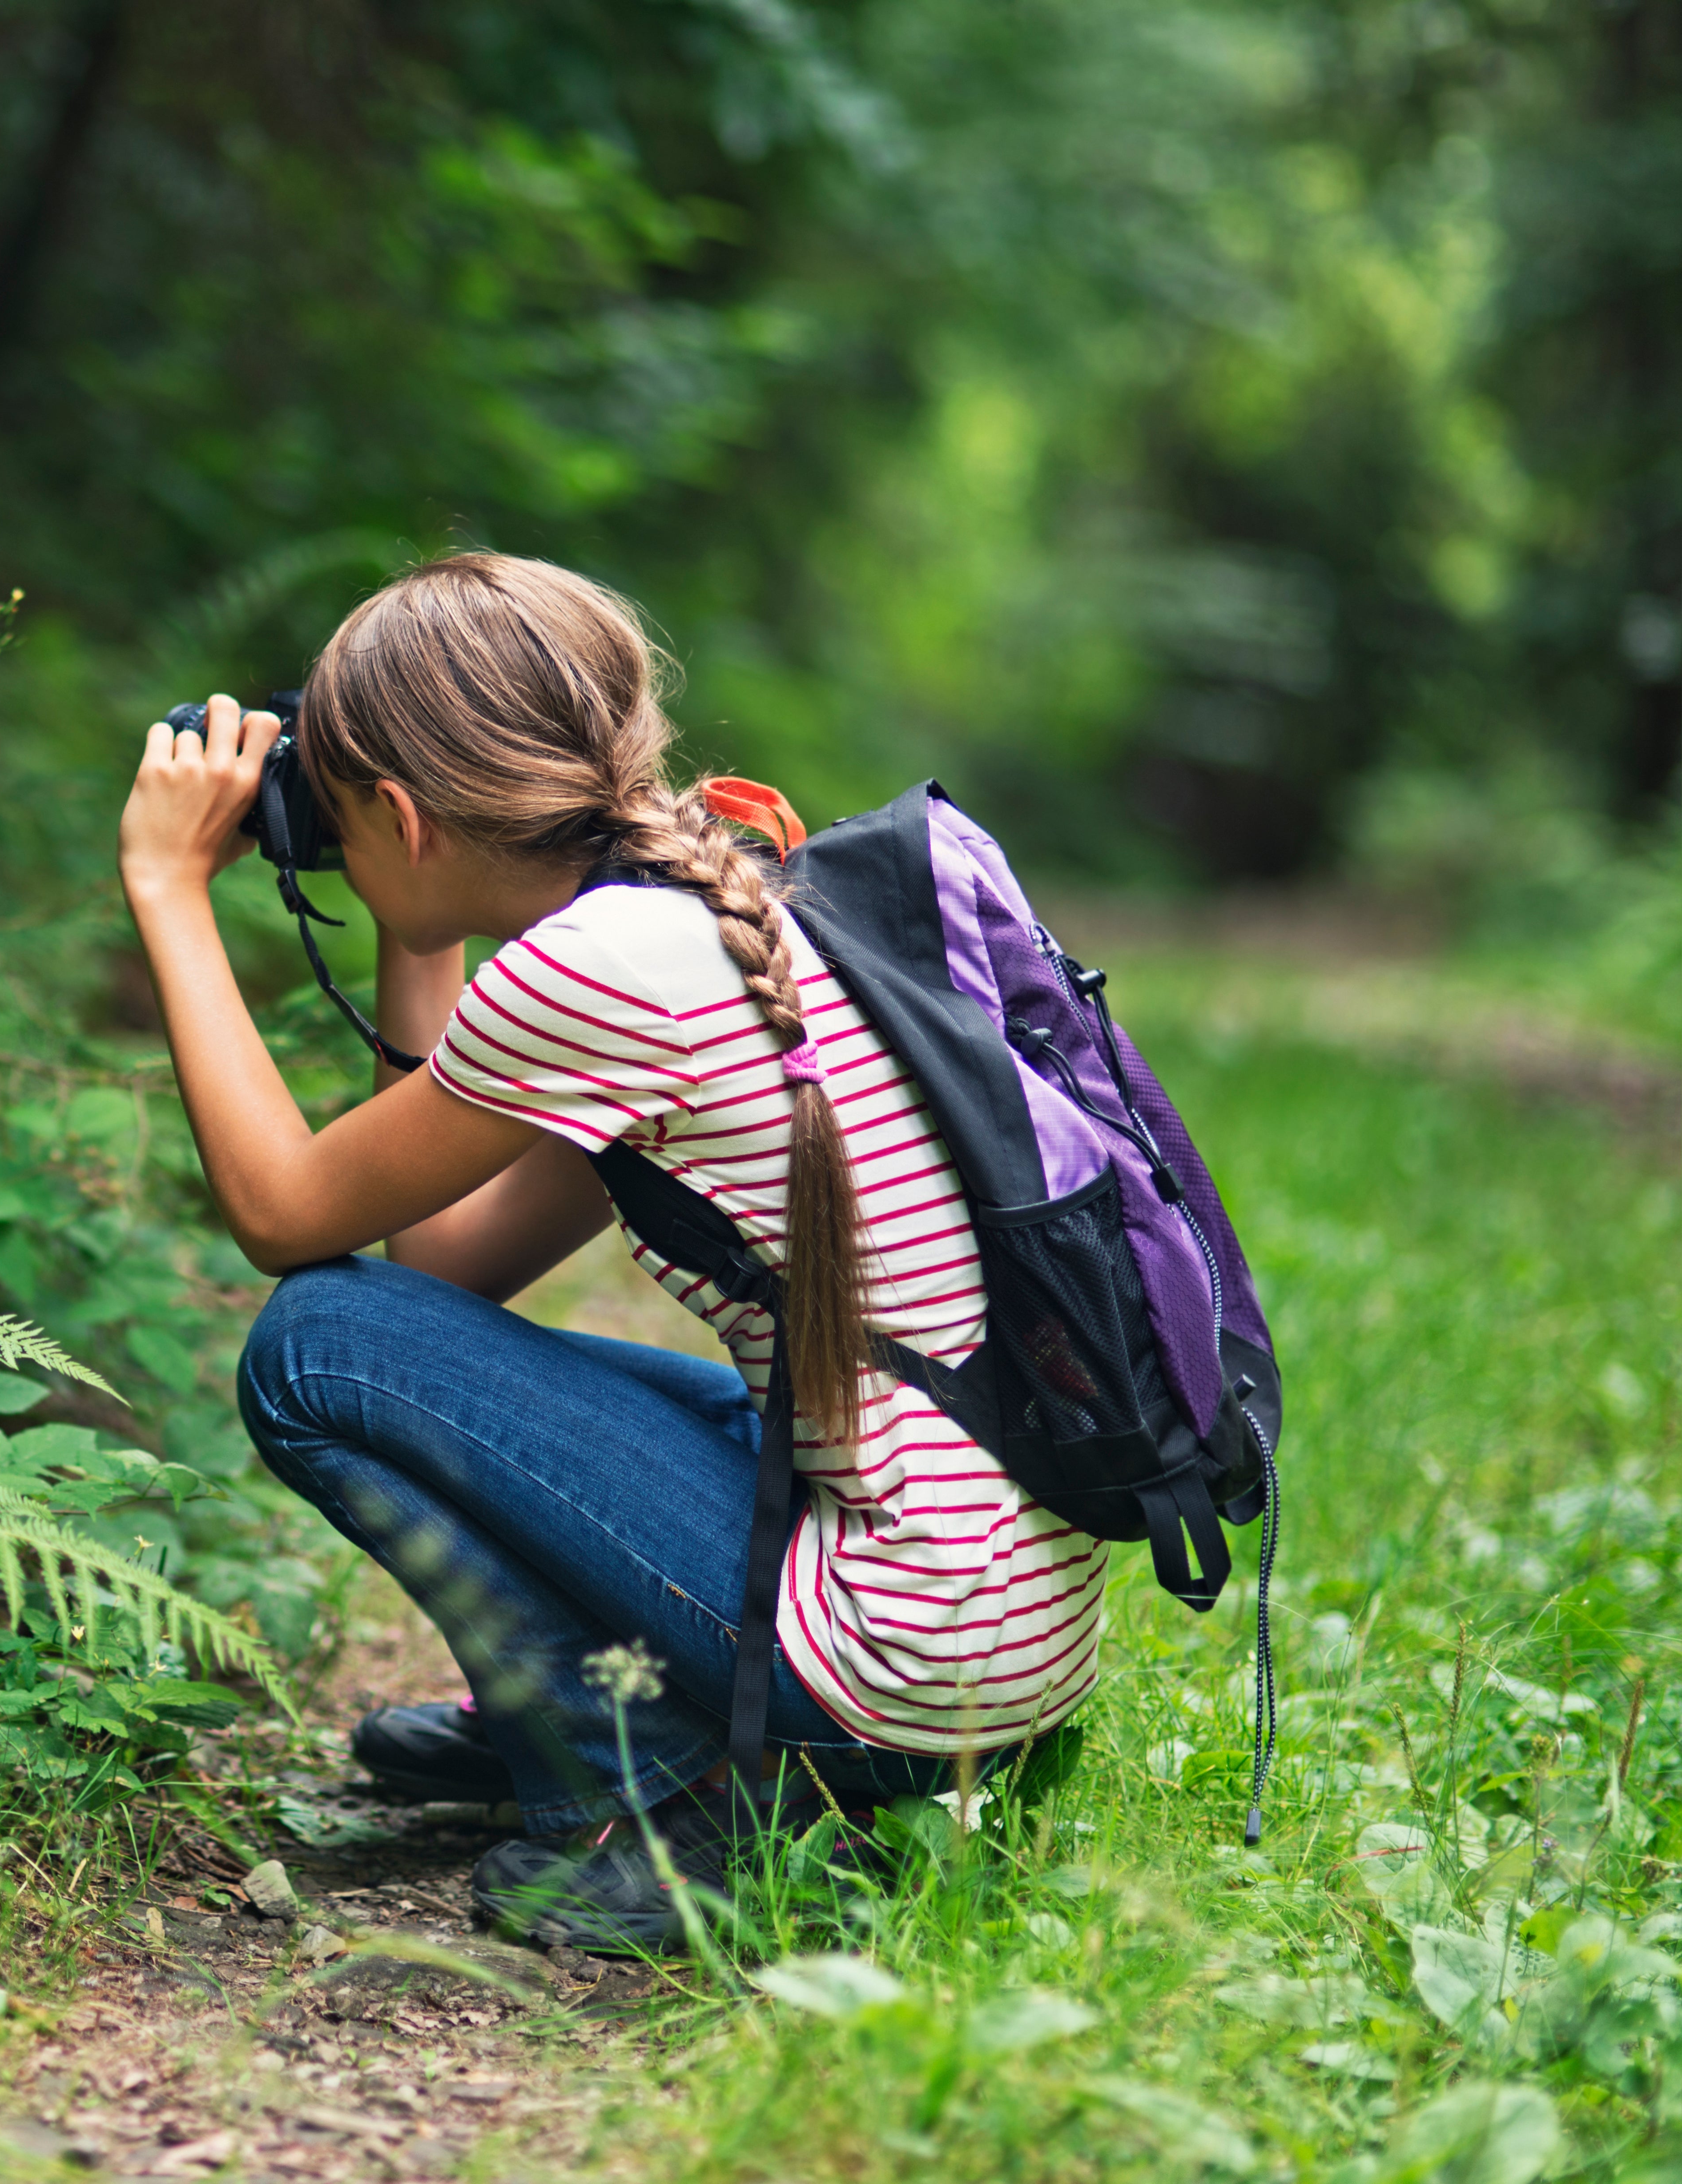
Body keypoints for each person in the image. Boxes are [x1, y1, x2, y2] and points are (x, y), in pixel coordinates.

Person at [114, 553, 1104, 1952]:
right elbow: (448, 1270)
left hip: (913, 1657)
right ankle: (636, 1704)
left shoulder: (599, 968)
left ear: (397, 812)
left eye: (345, 817)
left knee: (312, 1344)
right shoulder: (722, 899)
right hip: (1000, 1629)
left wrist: (169, 888)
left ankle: (647, 1786)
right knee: (516, 1367)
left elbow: (288, 1221)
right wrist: (420, 923)